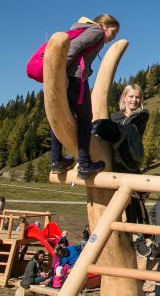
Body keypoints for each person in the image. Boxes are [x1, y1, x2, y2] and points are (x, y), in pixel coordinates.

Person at [49, 14, 120, 180]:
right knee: (84, 120)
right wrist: (61, 73)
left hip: (68, 77)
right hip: (76, 79)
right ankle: (84, 164)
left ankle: (56, 160)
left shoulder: (82, 29)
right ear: (104, 25)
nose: (112, 37)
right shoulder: (96, 32)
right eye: (113, 31)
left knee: (59, 116)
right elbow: (74, 47)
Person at [92, 84, 149, 174]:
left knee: (121, 129)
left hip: (131, 157)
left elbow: (131, 125)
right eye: (131, 96)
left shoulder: (143, 115)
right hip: (114, 161)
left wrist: (111, 128)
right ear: (124, 98)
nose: (134, 100)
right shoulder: (114, 117)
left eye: (137, 97)